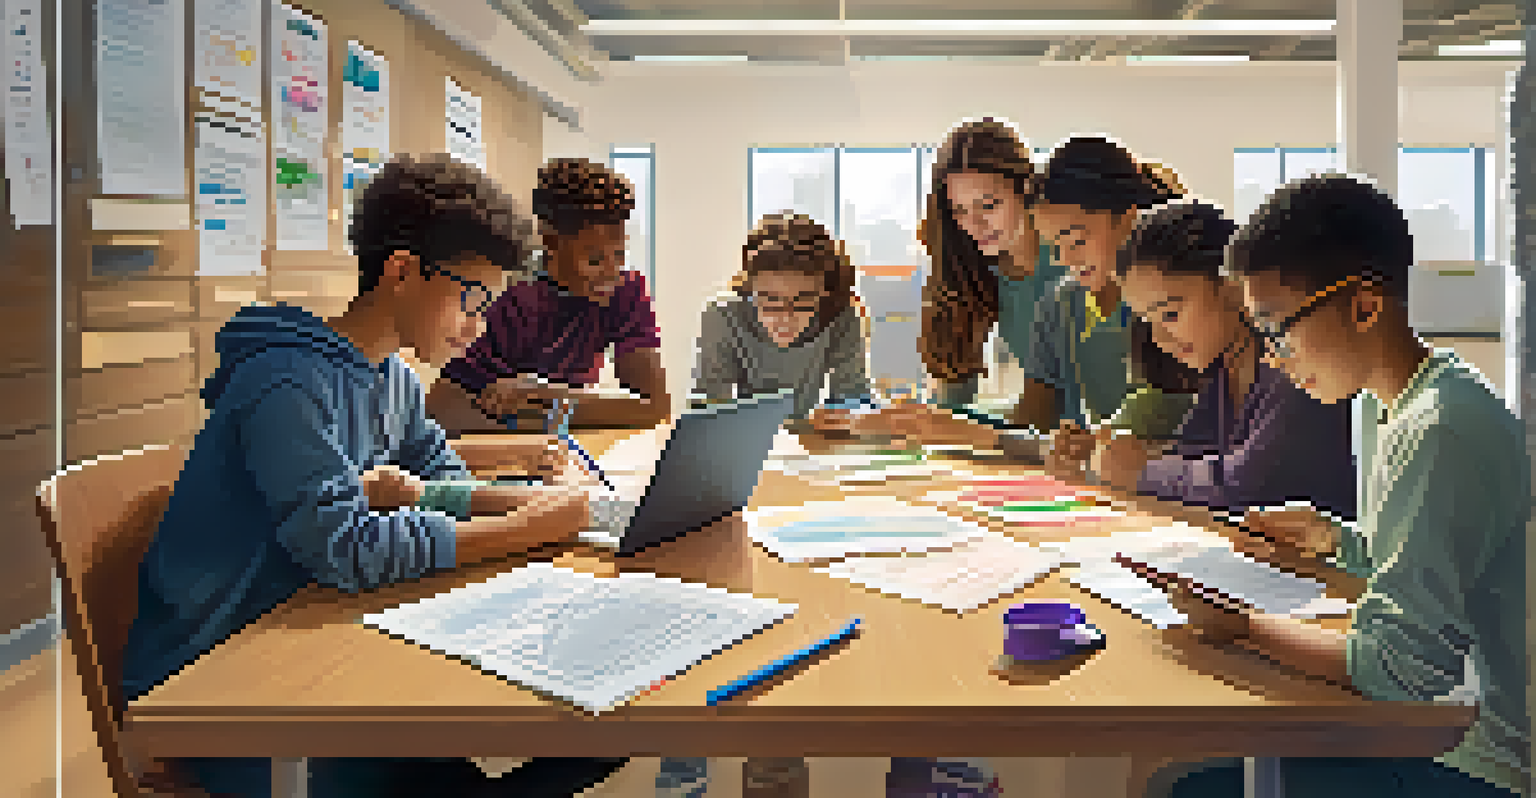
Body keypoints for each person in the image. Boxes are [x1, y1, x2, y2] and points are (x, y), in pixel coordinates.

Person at [119, 153, 628, 798]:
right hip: (221, 687)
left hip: (310, 641)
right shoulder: (286, 381)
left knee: (587, 740)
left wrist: (541, 503)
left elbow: (441, 483)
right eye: (472, 300)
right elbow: (346, 546)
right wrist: (531, 526)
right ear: (401, 271)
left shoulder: (391, 377)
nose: (477, 329)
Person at [1135, 174, 1528, 798]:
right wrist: (1334, 540)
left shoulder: (1438, 428)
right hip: (1450, 727)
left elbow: (1401, 672)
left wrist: (1243, 628)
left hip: (1483, 762)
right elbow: (1428, 569)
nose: (1271, 357)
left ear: (1364, 306)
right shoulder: (1393, 403)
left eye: (1275, 328)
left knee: (1182, 788)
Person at [1054, 199, 1356, 520]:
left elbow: (1248, 485)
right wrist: (1113, 451)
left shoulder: (1294, 364)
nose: (1158, 339)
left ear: (1232, 289)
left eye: (1169, 314)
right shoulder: (1226, 372)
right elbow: (1196, 452)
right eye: (1147, 321)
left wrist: (1141, 470)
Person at [426, 157, 670, 435]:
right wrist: (532, 435)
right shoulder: (506, 297)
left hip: (565, 446)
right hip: (503, 459)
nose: (611, 273)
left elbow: (654, 408)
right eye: (594, 260)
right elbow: (441, 408)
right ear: (550, 241)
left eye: (619, 255)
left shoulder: (626, 290)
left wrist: (543, 393)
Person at [690, 211, 876, 422]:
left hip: (810, 446)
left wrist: (849, 417)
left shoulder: (841, 314)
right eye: (770, 300)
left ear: (824, 292)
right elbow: (706, 407)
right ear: (750, 287)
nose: (786, 317)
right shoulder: (722, 316)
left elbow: (855, 396)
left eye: (803, 300)